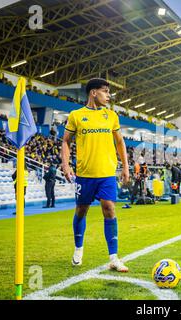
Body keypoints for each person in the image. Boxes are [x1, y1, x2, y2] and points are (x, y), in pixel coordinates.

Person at [61, 78, 130, 272]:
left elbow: (120, 143)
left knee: (109, 208)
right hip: (84, 174)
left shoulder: (111, 116)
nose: (109, 96)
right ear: (93, 93)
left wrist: (125, 167)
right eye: (105, 91)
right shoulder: (76, 115)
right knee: (81, 211)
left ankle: (114, 258)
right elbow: (65, 141)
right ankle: (78, 248)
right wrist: (66, 165)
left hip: (107, 173)